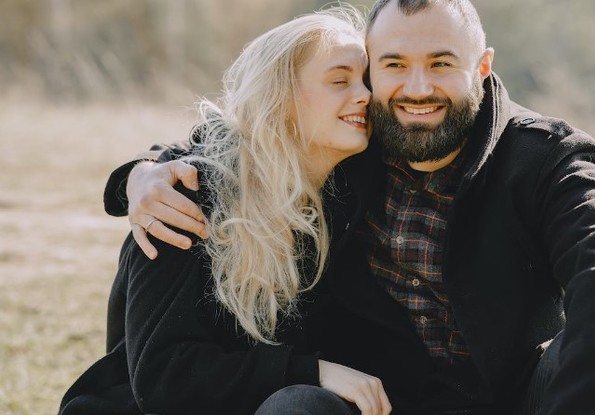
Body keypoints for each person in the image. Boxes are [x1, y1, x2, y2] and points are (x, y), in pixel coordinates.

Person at [105, 0, 595, 414]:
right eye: (392, 65)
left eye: (441, 63)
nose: (417, 88)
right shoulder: (356, 142)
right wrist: (141, 174)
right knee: (297, 405)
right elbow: (241, 137)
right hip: (382, 402)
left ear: (481, 66)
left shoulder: (543, 158)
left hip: (517, 398)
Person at [58, 6, 394, 415]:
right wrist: (311, 371)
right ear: (279, 97)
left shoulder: (348, 196)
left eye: (366, 81)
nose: (365, 95)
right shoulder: (186, 199)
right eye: (340, 80)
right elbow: (165, 378)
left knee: (301, 403)